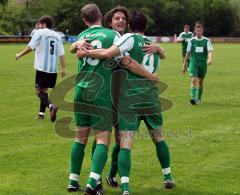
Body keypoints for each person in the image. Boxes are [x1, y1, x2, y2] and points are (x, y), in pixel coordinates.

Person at [79, 11, 175, 195]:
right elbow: (127, 58)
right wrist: (160, 50)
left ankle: (117, 183)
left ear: (129, 24)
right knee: (148, 137)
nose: (121, 21)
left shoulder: (127, 40)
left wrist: (85, 51)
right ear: (109, 22)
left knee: (118, 140)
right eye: (117, 18)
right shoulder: (133, 41)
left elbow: (120, 59)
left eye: (123, 18)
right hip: (127, 95)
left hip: (125, 96)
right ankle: (164, 176)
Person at [16, 15, 66, 121]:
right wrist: (63, 68)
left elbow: (30, 47)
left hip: (42, 67)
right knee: (44, 91)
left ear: (44, 24)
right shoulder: (57, 36)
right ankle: (41, 114)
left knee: (38, 91)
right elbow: (61, 53)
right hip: (53, 69)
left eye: (39, 23)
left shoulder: (40, 32)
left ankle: (52, 106)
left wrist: (19, 55)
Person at [182, 23, 213, 105]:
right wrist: (184, 65)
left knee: (200, 82)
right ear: (195, 31)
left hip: (203, 64)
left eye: (200, 31)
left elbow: (210, 51)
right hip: (193, 63)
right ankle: (193, 98)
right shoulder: (191, 41)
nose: (198, 32)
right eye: (197, 31)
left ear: (202, 31)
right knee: (193, 80)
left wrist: (210, 59)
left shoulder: (207, 41)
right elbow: (188, 53)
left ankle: (199, 99)